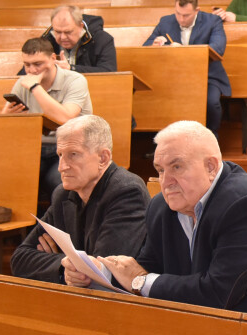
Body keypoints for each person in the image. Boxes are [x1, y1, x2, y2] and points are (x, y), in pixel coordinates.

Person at [63, 120, 247, 326]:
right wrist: (98, 273)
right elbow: (147, 269)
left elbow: (219, 293)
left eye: (177, 167)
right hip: (223, 327)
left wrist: (139, 280)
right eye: (160, 170)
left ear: (211, 166)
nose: (165, 181)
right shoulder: (162, 206)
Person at [10, 115, 149, 284]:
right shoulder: (62, 193)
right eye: (60, 155)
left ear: (103, 158)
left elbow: (101, 271)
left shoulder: (126, 191)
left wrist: (67, 261)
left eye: (73, 154)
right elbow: (20, 259)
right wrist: (63, 266)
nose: (62, 167)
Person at [3, 37, 93, 201]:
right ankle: (32, 226)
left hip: (72, 148)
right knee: (14, 179)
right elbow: (3, 125)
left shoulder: (75, 80)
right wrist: (7, 116)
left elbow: (65, 118)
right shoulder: (23, 83)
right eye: (27, 65)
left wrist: (35, 88)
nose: (31, 70)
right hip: (36, 147)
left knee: (57, 182)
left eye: (38, 64)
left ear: (53, 58)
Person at [143, 0, 231, 132]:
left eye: (186, 15)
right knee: (161, 101)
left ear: (197, 10)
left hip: (207, 76)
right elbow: (146, 46)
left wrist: (184, 50)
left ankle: (212, 139)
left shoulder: (212, 21)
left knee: (211, 102)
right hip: (174, 78)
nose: (181, 19)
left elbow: (218, 49)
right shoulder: (166, 21)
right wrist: (154, 45)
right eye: (178, 13)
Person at [31, 5, 116, 74]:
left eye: (68, 32)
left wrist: (72, 68)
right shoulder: (46, 40)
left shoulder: (102, 39)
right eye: (58, 32)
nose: (63, 37)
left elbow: (109, 71)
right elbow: (24, 72)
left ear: (80, 26)